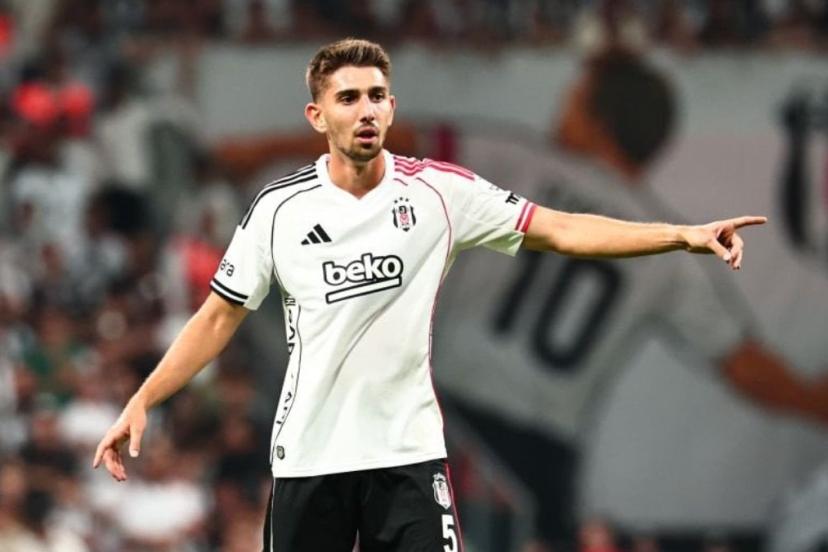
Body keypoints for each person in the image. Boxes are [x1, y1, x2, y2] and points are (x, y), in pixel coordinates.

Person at [93, 38, 765, 552]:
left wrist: (681, 235)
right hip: (310, 457)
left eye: (377, 96)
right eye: (348, 98)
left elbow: (561, 229)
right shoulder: (279, 209)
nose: (366, 110)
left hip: (409, 458)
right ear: (317, 115)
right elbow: (217, 318)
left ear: (391, 108)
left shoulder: (441, 193)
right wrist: (144, 399)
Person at [431, 49, 828, 544]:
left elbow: (398, 145)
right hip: (541, 456)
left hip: (450, 421)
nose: (560, 113)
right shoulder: (665, 250)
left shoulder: (520, 164)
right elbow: (746, 367)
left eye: (573, 101)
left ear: (598, 121)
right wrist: (817, 404)